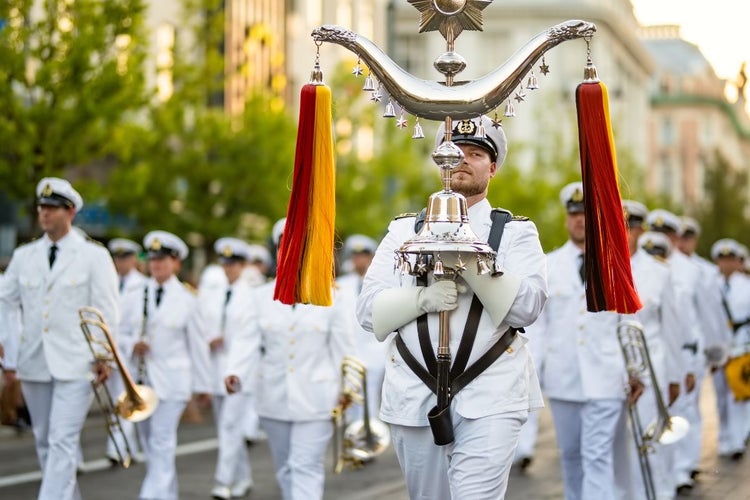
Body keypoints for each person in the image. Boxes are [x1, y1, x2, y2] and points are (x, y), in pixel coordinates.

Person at [357, 116, 548, 499]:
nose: (462, 160)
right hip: (414, 389)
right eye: (454, 152)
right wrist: (421, 299)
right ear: (438, 160)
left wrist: (468, 254)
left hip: (491, 390)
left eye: (476, 153)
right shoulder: (404, 230)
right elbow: (367, 312)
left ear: (492, 168)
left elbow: (527, 307)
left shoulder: (513, 231)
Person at [0, 177, 119, 500]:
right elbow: (4, 299)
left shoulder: (94, 256)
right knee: (44, 440)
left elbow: (105, 310)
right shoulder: (25, 256)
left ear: (71, 212)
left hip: (78, 363)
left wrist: (104, 356)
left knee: (62, 440)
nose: (44, 214)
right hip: (34, 360)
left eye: (52, 208)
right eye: (42, 207)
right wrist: (8, 349)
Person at [225, 218, 354, 500]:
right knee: (284, 468)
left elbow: (344, 349)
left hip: (318, 396)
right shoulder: (260, 297)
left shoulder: (332, 297)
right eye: (285, 243)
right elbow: (246, 339)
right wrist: (235, 371)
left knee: (305, 465)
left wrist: (348, 388)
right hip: (273, 396)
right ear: (278, 250)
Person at [533, 182, 639, 500]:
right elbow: (537, 326)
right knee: (571, 456)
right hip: (563, 375)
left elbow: (629, 321)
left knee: (597, 456)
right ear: (567, 219)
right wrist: (534, 372)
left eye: (585, 214)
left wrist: (636, 370)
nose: (579, 220)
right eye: (574, 214)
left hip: (607, 376)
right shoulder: (548, 265)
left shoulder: (616, 263)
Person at [120, 230, 212, 500]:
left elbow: (198, 346)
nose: (156, 265)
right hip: (141, 380)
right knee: (150, 445)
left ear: (176, 263)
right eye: (152, 259)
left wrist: (202, 386)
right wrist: (131, 344)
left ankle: (150, 496)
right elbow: (119, 331)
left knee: (161, 442)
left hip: (172, 383)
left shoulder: (187, 299)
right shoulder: (135, 294)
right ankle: (166, 494)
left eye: (163, 260)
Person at [615, 200, 689, 500]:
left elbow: (672, 329)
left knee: (649, 442)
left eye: (631, 228)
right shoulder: (601, 267)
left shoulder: (659, 273)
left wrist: (674, 377)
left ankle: (659, 493)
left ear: (641, 232)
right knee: (617, 447)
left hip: (651, 369)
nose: (626, 233)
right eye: (620, 227)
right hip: (610, 371)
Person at [646, 208, 723, 492]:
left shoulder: (692, 271)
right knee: (657, 414)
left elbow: (709, 315)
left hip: (688, 350)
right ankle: (663, 472)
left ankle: (682, 468)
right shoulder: (641, 263)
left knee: (684, 409)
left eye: (665, 233)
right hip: (655, 351)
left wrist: (715, 353)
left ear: (676, 237)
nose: (660, 238)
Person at [201, 237, 257, 500]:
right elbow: (202, 324)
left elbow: (250, 335)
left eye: (233, 263)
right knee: (227, 426)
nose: (228, 268)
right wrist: (210, 338)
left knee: (230, 425)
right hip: (216, 367)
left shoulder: (252, 295)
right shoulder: (213, 293)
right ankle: (243, 477)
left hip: (240, 370)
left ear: (243, 265)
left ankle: (222, 482)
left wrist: (227, 340)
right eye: (225, 263)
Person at [336, 234, 389, 430]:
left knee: (370, 398)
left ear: (372, 257)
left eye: (364, 255)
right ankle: (354, 436)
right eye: (355, 256)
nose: (359, 260)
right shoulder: (341, 285)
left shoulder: (381, 281)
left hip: (375, 348)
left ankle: (367, 436)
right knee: (352, 396)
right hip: (350, 350)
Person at [104, 238, 146, 465]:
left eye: (125, 258)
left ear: (133, 260)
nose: (120, 263)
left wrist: (131, 344)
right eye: (117, 258)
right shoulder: (108, 282)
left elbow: (139, 322)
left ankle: (117, 448)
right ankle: (129, 447)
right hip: (108, 351)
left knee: (125, 401)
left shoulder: (142, 286)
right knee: (114, 401)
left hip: (128, 352)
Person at [710, 238, 750, 461]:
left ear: (737, 262)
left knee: (739, 395)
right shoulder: (709, 284)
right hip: (717, 347)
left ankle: (738, 439)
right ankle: (724, 437)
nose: (726, 264)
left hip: (742, 346)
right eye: (722, 260)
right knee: (720, 395)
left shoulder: (747, 285)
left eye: (730, 260)